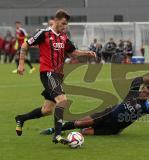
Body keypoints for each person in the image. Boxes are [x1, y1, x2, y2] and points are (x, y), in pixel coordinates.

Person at [14, 9, 96, 145]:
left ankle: (21, 119)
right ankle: (57, 135)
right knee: (62, 100)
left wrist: (87, 53)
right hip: (48, 73)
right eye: (63, 23)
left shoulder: (63, 37)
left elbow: (73, 52)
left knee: (46, 110)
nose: (65, 26)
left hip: (58, 76)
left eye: (66, 24)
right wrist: (21, 64)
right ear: (56, 20)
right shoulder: (44, 33)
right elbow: (25, 44)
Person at [40, 72, 149, 136]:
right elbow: (136, 81)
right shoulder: (133, 93)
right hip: (106, 114)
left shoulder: (147, 107)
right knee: (80, 123)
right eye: (146, 90)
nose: (146, 93)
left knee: (85, 132)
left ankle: (72, 135)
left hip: (113, 129)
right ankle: (56, 129)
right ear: (143, 89)